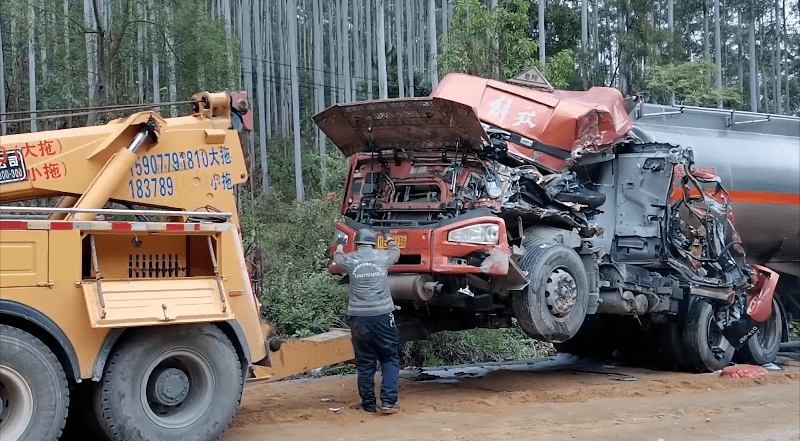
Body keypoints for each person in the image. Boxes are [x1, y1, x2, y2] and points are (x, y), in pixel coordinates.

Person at [333, 228, 401, 414]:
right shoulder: (383, 257)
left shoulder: (350, 260)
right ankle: (388, 402)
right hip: (382, 316)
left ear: (356, 244)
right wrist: (388, 237)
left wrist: (339, 243)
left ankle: (368, 404)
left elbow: (337, 258)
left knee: (364, 362)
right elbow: (396, 253)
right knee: (389, 358)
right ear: (373, 243)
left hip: (358, 317)